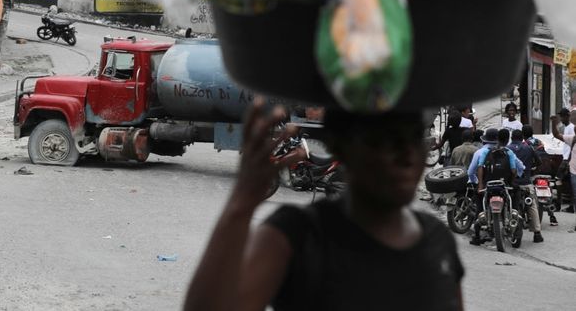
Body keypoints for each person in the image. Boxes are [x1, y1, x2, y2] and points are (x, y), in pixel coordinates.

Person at [184, 101, 464, 311]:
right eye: (387, 140)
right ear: (343, 146)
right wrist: (240, 205)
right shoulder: (297, 235)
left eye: (414, 138)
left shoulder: (438, 240)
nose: (407, 156)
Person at [468, 129, 525, 246]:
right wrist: (511, 180)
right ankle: (514, 211)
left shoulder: (482, 152)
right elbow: (516, 169)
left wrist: (480, 185)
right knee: (517, 191)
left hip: (488, 185)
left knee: (479, 203)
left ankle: (476, 234)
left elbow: (477, 169)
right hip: (504, 185)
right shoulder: (508, 152)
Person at [507, 129, 543, 242]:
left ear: (512, 137)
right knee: (532, 206)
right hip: (526, 182)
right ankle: (537, 233)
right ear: (522, 138)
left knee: (510, 206)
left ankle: (510, 228)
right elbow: (539, 162)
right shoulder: (529, 147)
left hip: (512, 184)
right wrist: (532, 170)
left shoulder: (507, 149)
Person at [523, 124, 558, 226]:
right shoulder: (539, 142)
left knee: (525, 193)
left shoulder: (524, 144)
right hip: (545, 171)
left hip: (532, 171)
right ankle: (552, 216)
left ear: (523, 134)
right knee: (548, 190)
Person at [550, 114, 576, 213]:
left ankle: (563, 204)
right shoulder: (571, 137)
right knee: (560, 181)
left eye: (562, 117)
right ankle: (562, 204)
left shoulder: (571, 128)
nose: (561, 119)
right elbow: (557, 135)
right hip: (568, 162)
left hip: (567, 162)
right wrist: (553, 123)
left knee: (560, 181)